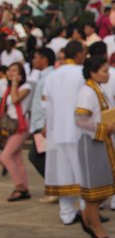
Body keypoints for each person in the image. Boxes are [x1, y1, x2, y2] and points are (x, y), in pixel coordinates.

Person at [74, 56, 115, 238]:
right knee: (94, 193)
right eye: (104, 70)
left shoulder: (98, 89)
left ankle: (87, 217)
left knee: (105, 187)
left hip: (102, 143)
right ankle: (96, 228)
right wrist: (104, 129)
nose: (108, 74)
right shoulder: (87, 91)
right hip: (92, 144)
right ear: (93, 73)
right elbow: (80, 120)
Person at [43, 41, 87, 224]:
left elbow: (45, 105)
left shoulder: (52, 75)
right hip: (79, 130)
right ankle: (87, 212)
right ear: (78, 54)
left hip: (58, 130)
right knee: (83, 173)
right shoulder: (82, 73)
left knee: (63, 172)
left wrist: (50, 125)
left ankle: (66, 213)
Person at [0, 62, 33, 201]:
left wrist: (14, 83)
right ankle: (24, 188)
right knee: (17, 157)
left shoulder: (26, 87)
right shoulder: (8, 87)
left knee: (5, 157)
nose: (10, 72)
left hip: (21, 125)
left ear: (21, 74)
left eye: (14, 70)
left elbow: (15, 99)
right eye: (9, 70)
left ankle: (19, 187)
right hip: (12, 125)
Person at [27, 48, 55, 186]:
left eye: (36, 57)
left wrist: (46, 124)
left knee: (36, 156)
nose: (33, 60)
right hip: (39, 123)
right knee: (44, 156)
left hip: (43, 125)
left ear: (44, 59)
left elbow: (49, 103)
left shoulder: (49, 76)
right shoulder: (43, 76)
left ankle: (55, 185)